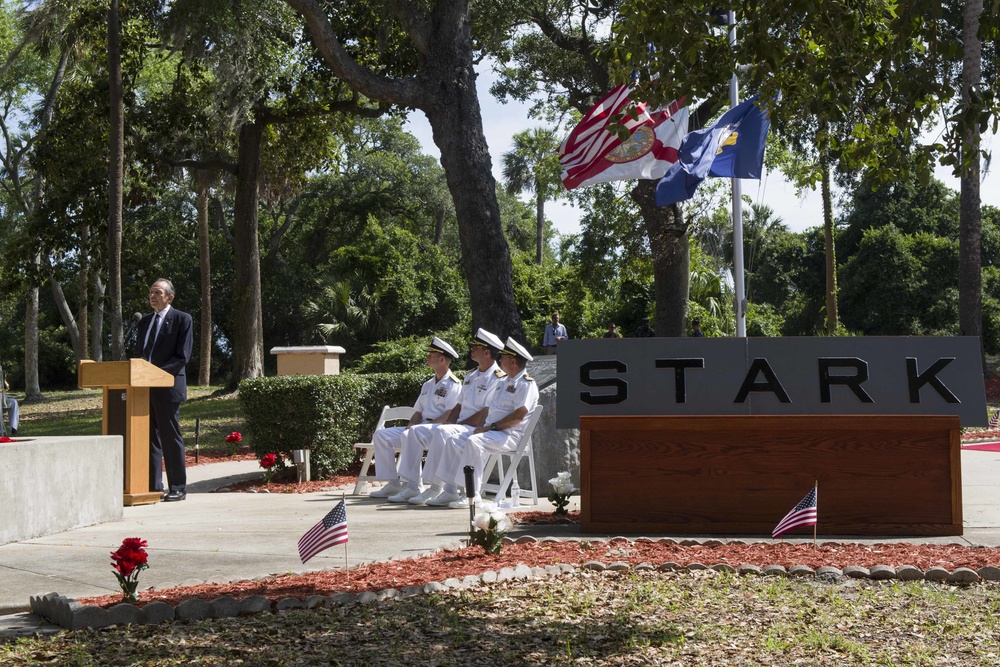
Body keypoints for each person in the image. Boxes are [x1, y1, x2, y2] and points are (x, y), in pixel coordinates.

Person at [393, 328, 506, 505]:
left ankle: (437, 488)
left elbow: (485, 412)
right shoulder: (471, 375)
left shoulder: (498, 378)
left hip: (475, 426)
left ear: (486, 352)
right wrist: (449, 422)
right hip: (462, 424)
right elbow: (459, 405)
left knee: (443, 433)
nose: (472, 348)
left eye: (476, 346)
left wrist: (458, 423)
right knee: (435, 431)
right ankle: (441, 488)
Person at [440, 336, 539, 509]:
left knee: (474, 442)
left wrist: (490, 427)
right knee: (454, 440)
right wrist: (484, 427)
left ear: (513, 362)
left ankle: (472, 493)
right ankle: (449, 489)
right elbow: (490, 409)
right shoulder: (503, 382)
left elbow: (519, 415)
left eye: (504, 357)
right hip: (493, 432)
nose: (500, 360)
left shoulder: (526, 384)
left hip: (510, 435)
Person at [369, 337, 462, 499]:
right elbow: (418, 411)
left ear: (441, 359)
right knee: (381, 436)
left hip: (438, 428)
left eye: (431, 354)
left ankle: (413, 486)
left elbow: (450, 413)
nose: (427, 357)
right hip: (421, 428)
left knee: (411, 434)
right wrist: (411, 424)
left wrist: (423, 426)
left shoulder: (454, 384)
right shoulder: (428, 384)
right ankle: (393, 483)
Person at [134, 279, 193, 502]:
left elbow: (182, 357)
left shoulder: (182, 319)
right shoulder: (144, 322)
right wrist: (141, 373)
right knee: (149, 437)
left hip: (167, 386)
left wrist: (155, 374)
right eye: (150, 292)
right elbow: (142, 354)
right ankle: (153, 485)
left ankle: (178, 487)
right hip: (143, 388)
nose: (152, 296)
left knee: (170, 437)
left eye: (157, 292)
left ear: (170, 297)